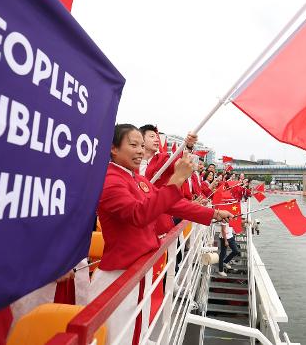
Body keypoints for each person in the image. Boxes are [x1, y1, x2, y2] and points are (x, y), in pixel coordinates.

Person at [88, 124, 232, 344]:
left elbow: (173, 204)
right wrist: (177, 179)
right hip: (120, 275)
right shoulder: (109, 181)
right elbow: (139, 215)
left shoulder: (137, 180)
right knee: (119, 336)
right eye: (133, 145)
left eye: (141, 145)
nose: (139, 150)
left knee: (135, 331)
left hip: (138, 270)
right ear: (113, 149)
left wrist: (212, 213)